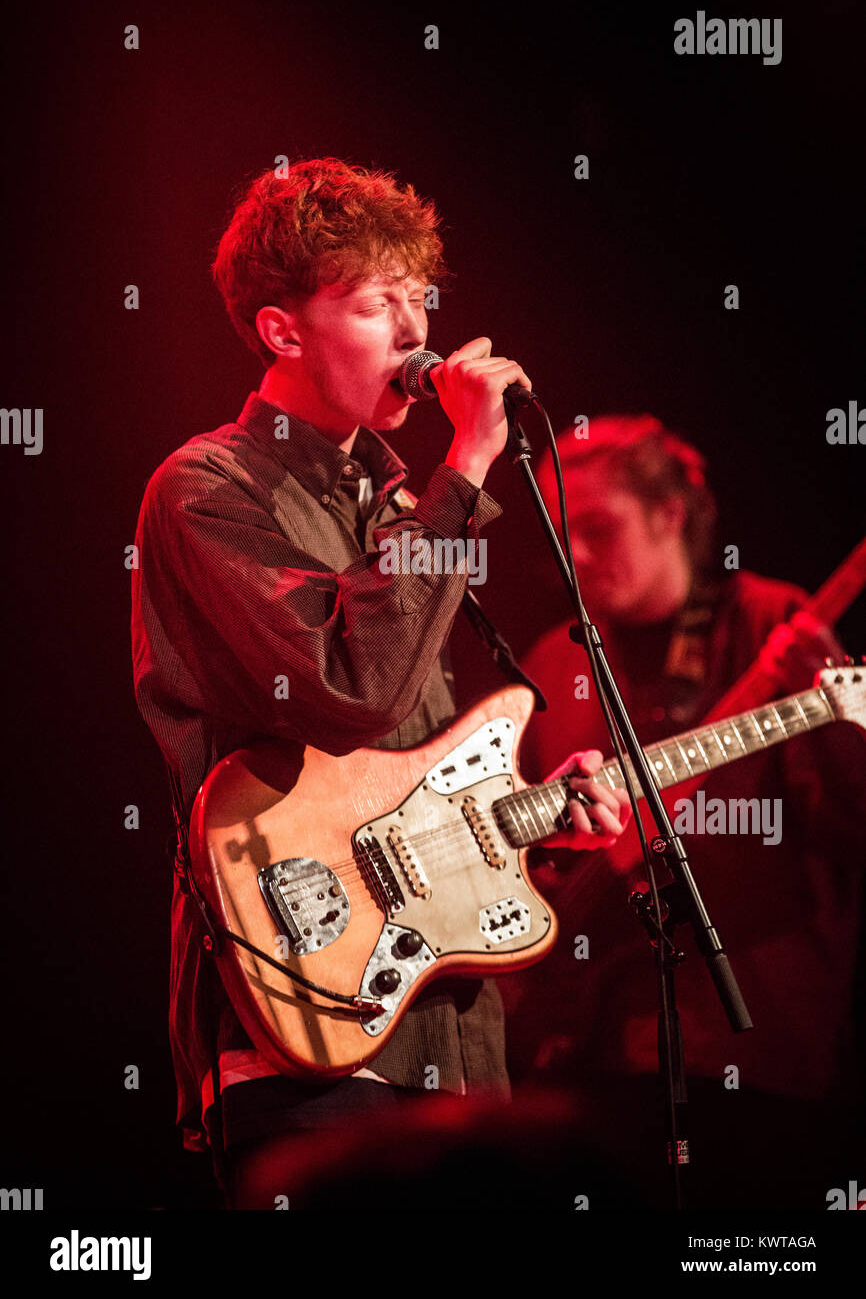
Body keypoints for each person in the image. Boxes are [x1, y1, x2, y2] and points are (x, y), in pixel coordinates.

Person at [130, 158, 631, 1208]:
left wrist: (529, 817)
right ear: (281, 330)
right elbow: (342, 690)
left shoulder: (399, 499)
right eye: (374, 304)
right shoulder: (203, 489)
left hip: (449, 1042)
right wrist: (462, 473)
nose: (415, 334)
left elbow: (392, 776)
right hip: (304, 1026)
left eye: (419, 300)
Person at [506, 414, 866, 1208]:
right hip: (582, 1053)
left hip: (751, 1043)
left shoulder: (775, 624)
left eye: (600, 528)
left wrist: (842, 717)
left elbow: (852, 827)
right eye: (568, 536)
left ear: (670, 514)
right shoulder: (551, 661)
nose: (581, 557)